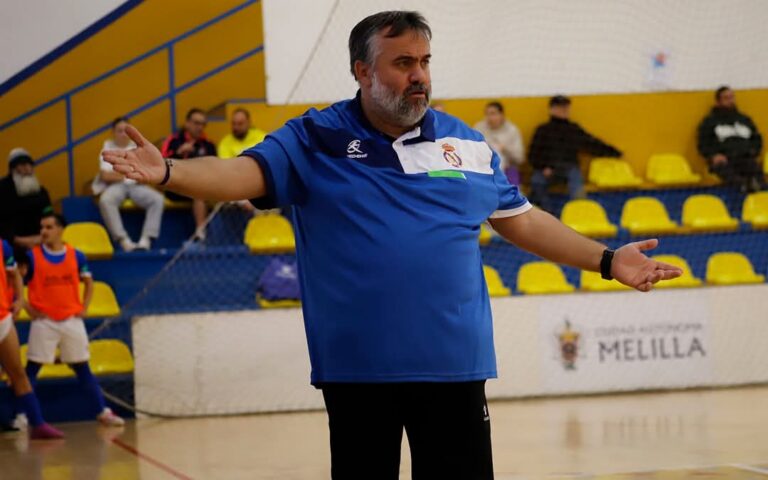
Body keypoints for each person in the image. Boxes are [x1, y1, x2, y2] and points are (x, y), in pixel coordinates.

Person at [104, 11, 681, 479]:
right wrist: (169, 173)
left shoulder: (466, 144)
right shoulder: (315, 136)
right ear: (362, 70)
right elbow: (241, 174)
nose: (419, 76)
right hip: (359, 373)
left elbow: (523, 221)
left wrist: (607, 260)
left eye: (425, 61)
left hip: (454, 368)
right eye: (402, 63)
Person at [23, 213, 124, 428]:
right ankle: (23, 415)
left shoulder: (76, 256)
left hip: (71, 319)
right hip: (44, 320)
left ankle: (102, 411)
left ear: (60, 230)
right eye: (42, 227)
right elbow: (14, 284)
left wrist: (85, 306)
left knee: (82, 367)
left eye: (49, 227)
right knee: (32, 369)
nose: (44, 231)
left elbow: (88, 282)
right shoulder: (32, 257)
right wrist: (27, 307)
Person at [0, 237, 64, 439]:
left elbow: (14, 274)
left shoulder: (2, 245)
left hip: (2, 317)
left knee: (18, 373)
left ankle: (38, 423)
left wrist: (19, 299)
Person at [528, 95, 622, 213]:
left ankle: (579, 213)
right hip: (548, 168)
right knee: (537, 181)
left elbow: (592, 143)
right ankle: (548, 214)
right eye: (560, 107)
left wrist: (614, 152)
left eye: (566, 107)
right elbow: (533, 155)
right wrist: (544, 167)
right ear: (552, 109)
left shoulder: (573, 129)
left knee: (577, 184)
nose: (564, 110)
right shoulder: (542, 130)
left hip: (569, 167)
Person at [93, 118, 165, 251]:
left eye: (125, 131)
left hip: (136, 186)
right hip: (116, 186)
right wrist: (129, 174)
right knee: (105, 200)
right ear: (113, 132)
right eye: (119, 131)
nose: (123, 134)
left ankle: (146, 239)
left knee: (157, 199)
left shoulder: (136, 147)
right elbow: (105, 176)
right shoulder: (107, 147)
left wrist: (120, 174)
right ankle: (123, 240)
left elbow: (143, 174)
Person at [161, 109, 217, 241]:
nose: (200, 127)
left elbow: (216, 169)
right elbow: (162, 166)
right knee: (198, 190)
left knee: (200, 190)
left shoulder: (208, 145)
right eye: (197, 123)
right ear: (187, 123)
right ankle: (201, 231)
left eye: (203, 124)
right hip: (175, 187)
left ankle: (202, 233)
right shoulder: (173, 141)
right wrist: (179, 153)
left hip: (200, 187)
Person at [697, 85, 764, 193]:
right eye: (726, 98)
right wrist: (713, 156)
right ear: (718, 102)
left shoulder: (744, 120)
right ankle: (743, 186)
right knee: (728, 173)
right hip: (725, 160)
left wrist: (753, 151)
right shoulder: (709, 122)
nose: (730, 101)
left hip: (745, 157)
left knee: (755, 170)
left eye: (732, 97)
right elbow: (703, 143)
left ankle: (758, 191)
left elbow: (757, 139)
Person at [0, 148, 52, 251]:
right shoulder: (3, 190)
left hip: (40, 241)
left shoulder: (41, 192)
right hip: (10, 245)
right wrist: (20, 240)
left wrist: (43, 236)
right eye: (23, 165)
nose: (27, 169)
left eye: (30, 165)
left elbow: (49, 215)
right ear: (13, 169)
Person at [474, 101, 524, 185]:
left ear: (501, 115)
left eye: (493, 114)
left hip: (508, 168)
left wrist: (505, 149)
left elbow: (520, 158)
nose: (489, 117)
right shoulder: (479, 128)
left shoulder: (512, 130)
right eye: (487, 114)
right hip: (483, 167)